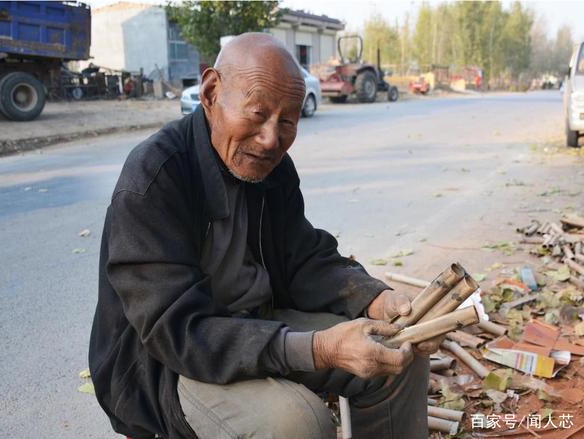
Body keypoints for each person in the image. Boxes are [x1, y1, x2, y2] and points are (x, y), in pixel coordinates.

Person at [89, 33, 441, 439]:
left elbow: (303, 257)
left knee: (398, 352)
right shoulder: (154, 178)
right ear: (210, 92)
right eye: (257, 114)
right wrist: (321, 348)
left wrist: (377, 299)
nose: (272, 139)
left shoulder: (272, 166)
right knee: (298, 423)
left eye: (287, 121)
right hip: (167, 362)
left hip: (256, 324)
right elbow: (179, 331)